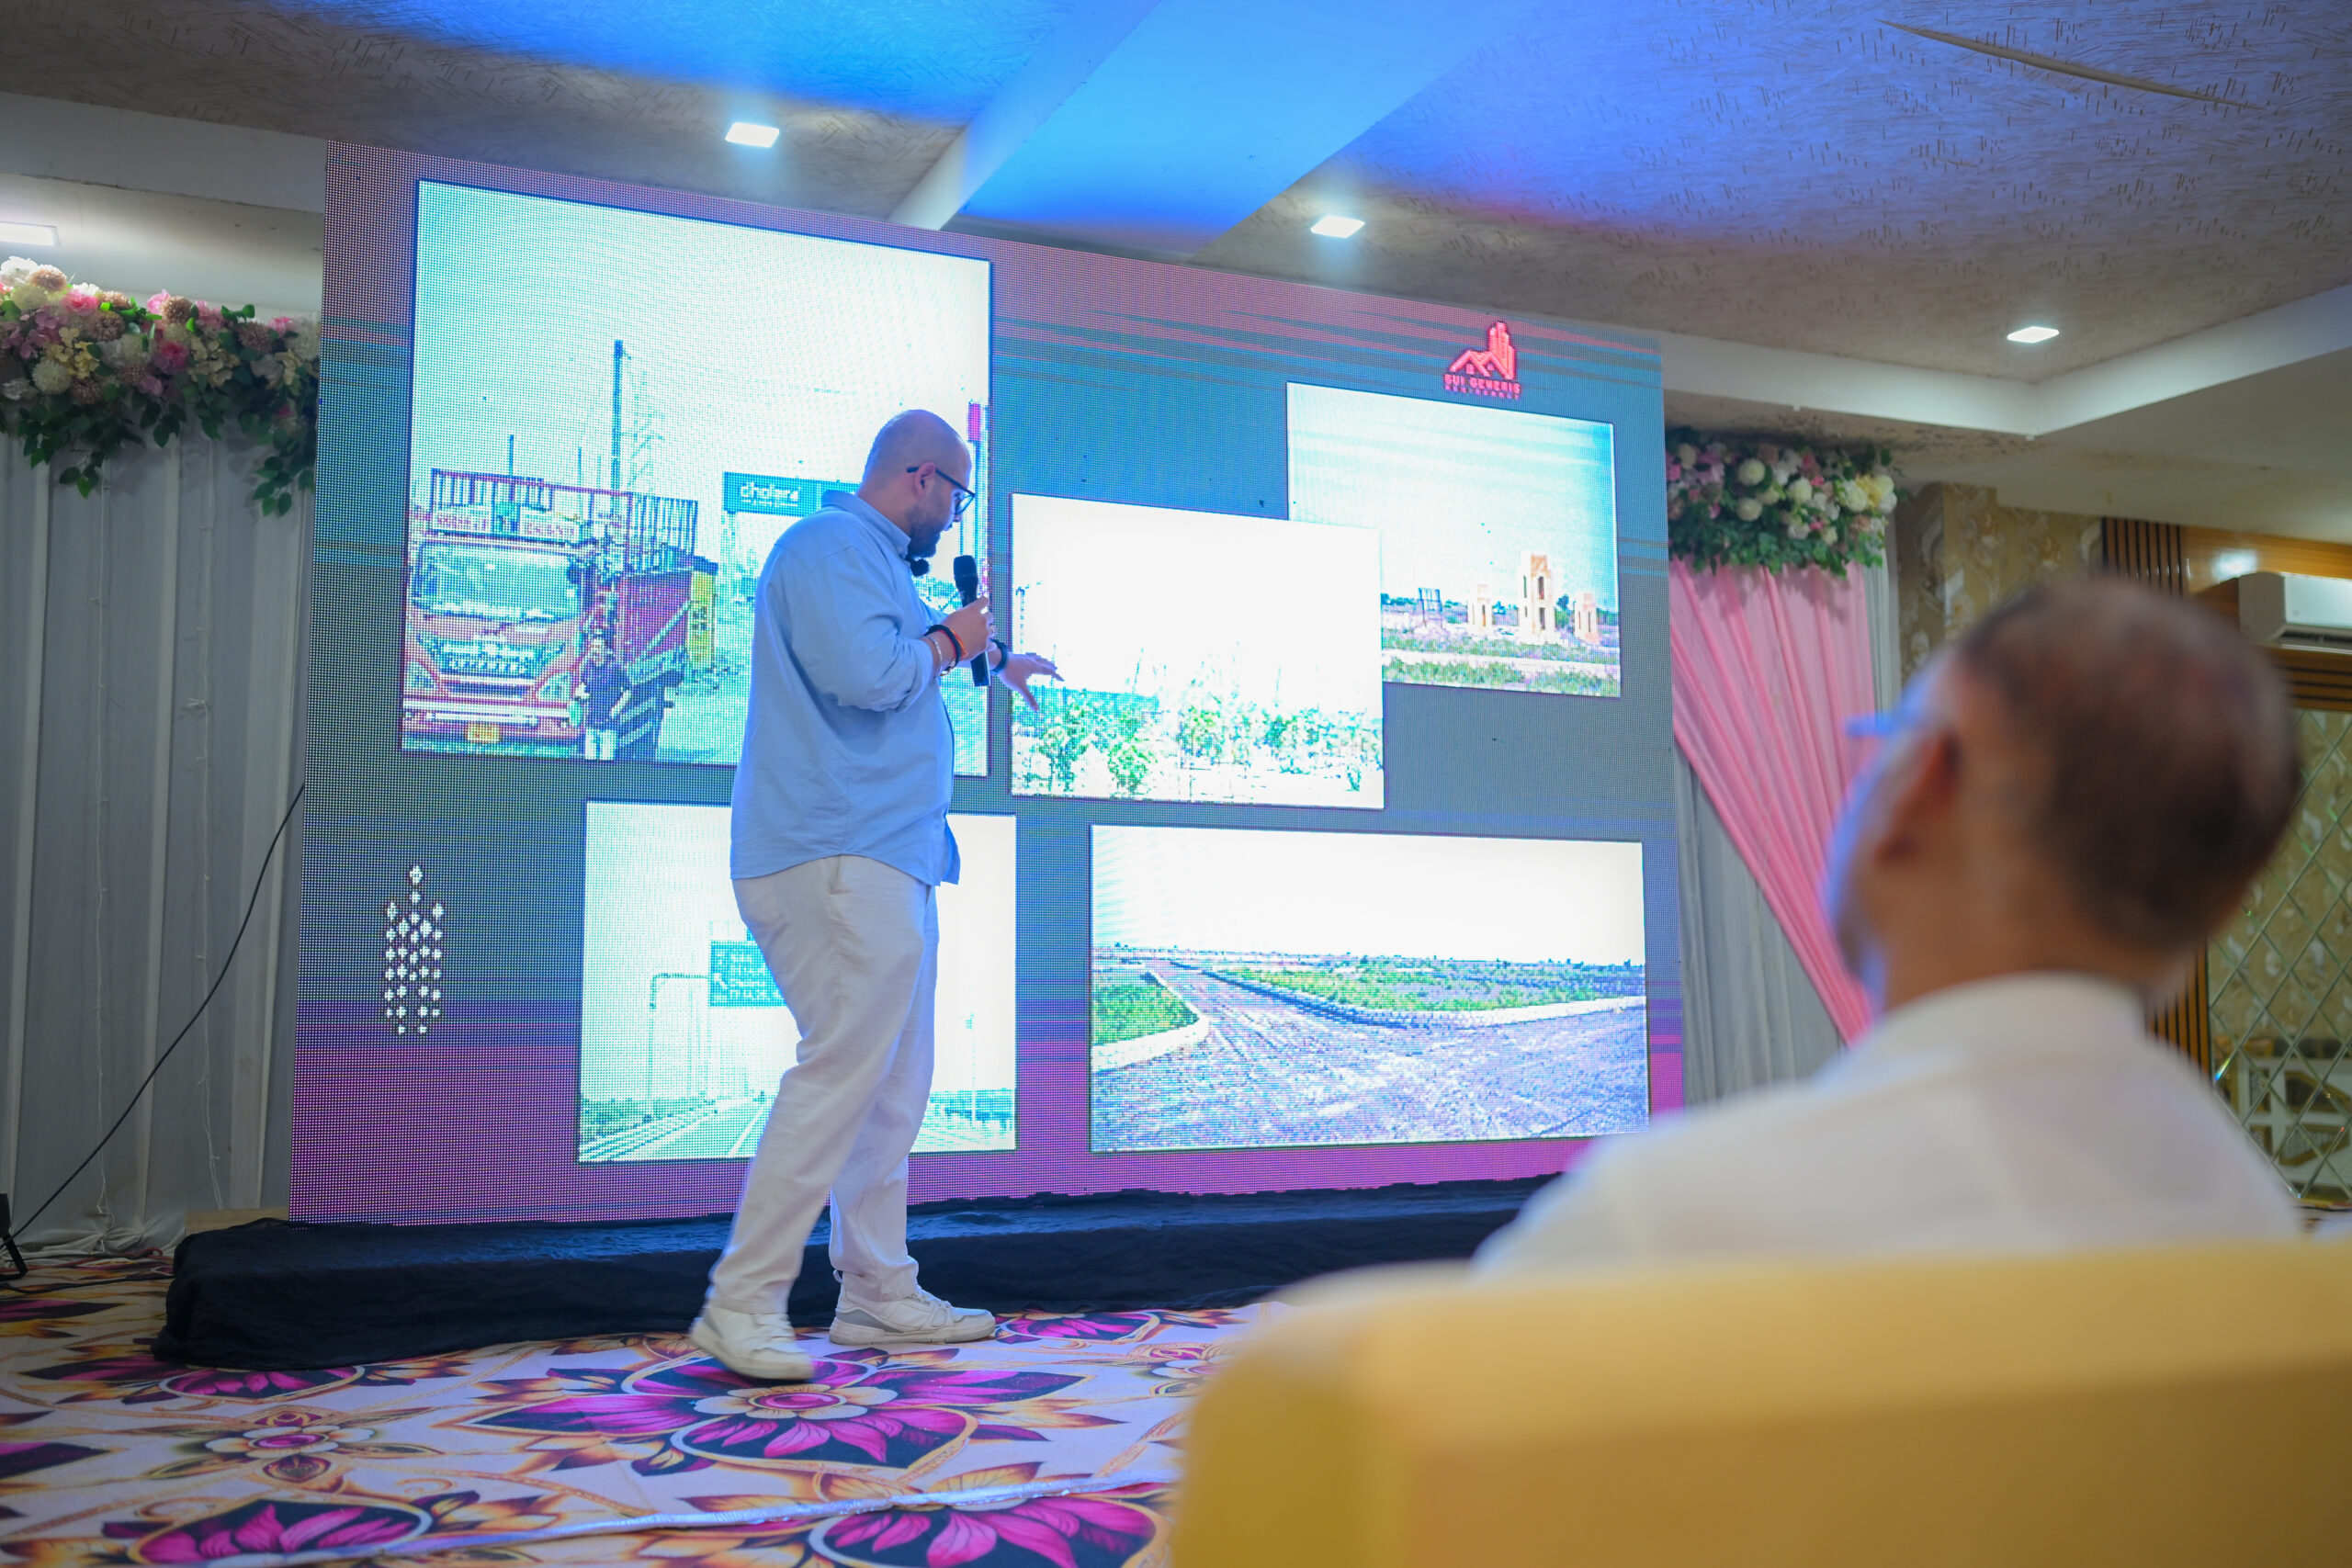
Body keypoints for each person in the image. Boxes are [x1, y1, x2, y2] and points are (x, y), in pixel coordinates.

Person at [1479, 578, 2305, 1273]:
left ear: (1923, 782)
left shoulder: (1662, 1225)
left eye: (1884, 740)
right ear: (2223, 899)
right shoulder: (2254, 1215)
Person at [689, 410, 1059, 1382]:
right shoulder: (828, 545)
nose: (956, 517)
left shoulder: (873, 564)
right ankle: (742, 1302)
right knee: (843, 1075)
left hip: (883, 856)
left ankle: (876, 1292)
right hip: (838, 853)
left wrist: (994, 659)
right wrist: (951, 641)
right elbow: (870, 672)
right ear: (922, 477)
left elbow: (908, 650)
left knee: (891, 1089)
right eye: (959, 497)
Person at [574, 633, 629, 761]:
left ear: (606, 650)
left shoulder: (614, 668)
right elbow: (584, 684)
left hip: (608, 725)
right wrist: (579, 693)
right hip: (591, 723)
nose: (594, 650)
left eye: (598, 647)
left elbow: (628, 690)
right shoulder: (588, 666)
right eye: (593, 646)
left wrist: (617, 709)